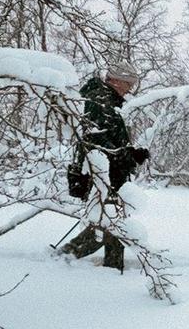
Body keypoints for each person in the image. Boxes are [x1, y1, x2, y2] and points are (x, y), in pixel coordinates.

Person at [61, 62, 149, 272]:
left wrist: (132, 154)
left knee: (113, 222)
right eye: (128, 84)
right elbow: (95, 139)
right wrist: (124, 158)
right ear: (116, 80)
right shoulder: (99, 100)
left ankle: (112, 268)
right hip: (101, 173)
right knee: (108, 224)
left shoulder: (106, 100)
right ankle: (64, 257)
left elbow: (109, 138)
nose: (130, 89)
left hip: (109, 172)